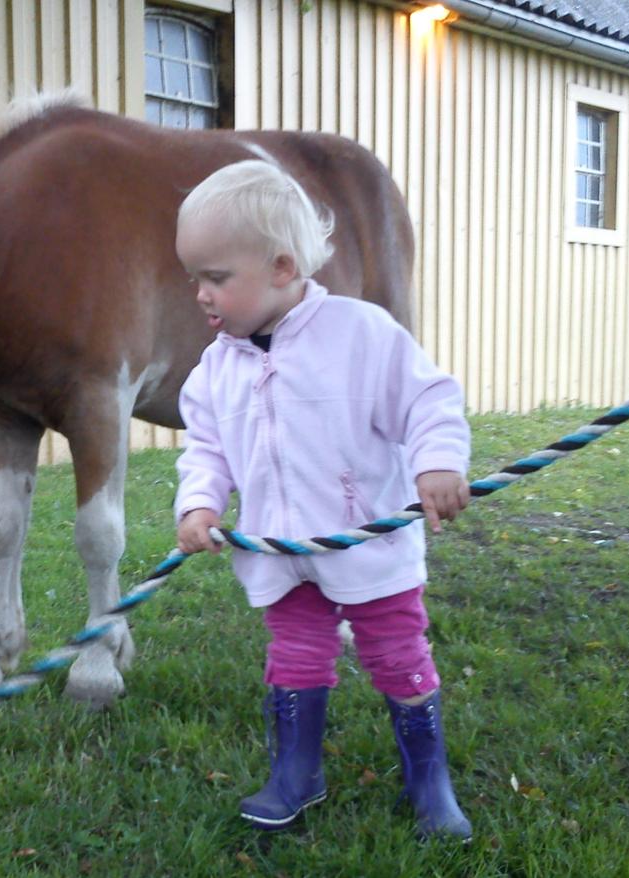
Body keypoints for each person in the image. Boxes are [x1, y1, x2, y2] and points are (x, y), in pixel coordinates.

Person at [173, 159, 472, 840]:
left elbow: (429, 400)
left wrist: (436, 463)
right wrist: (199, 504)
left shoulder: (360, 335)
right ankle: (296, 773)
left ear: (281, 267)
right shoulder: (218, 367)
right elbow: (207, 448)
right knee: (295, 655)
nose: (200, 294)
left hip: (370, 545)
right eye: (195, 277)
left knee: (398, 654)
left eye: (216, 277)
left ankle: (429, 782)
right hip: (281, 553)